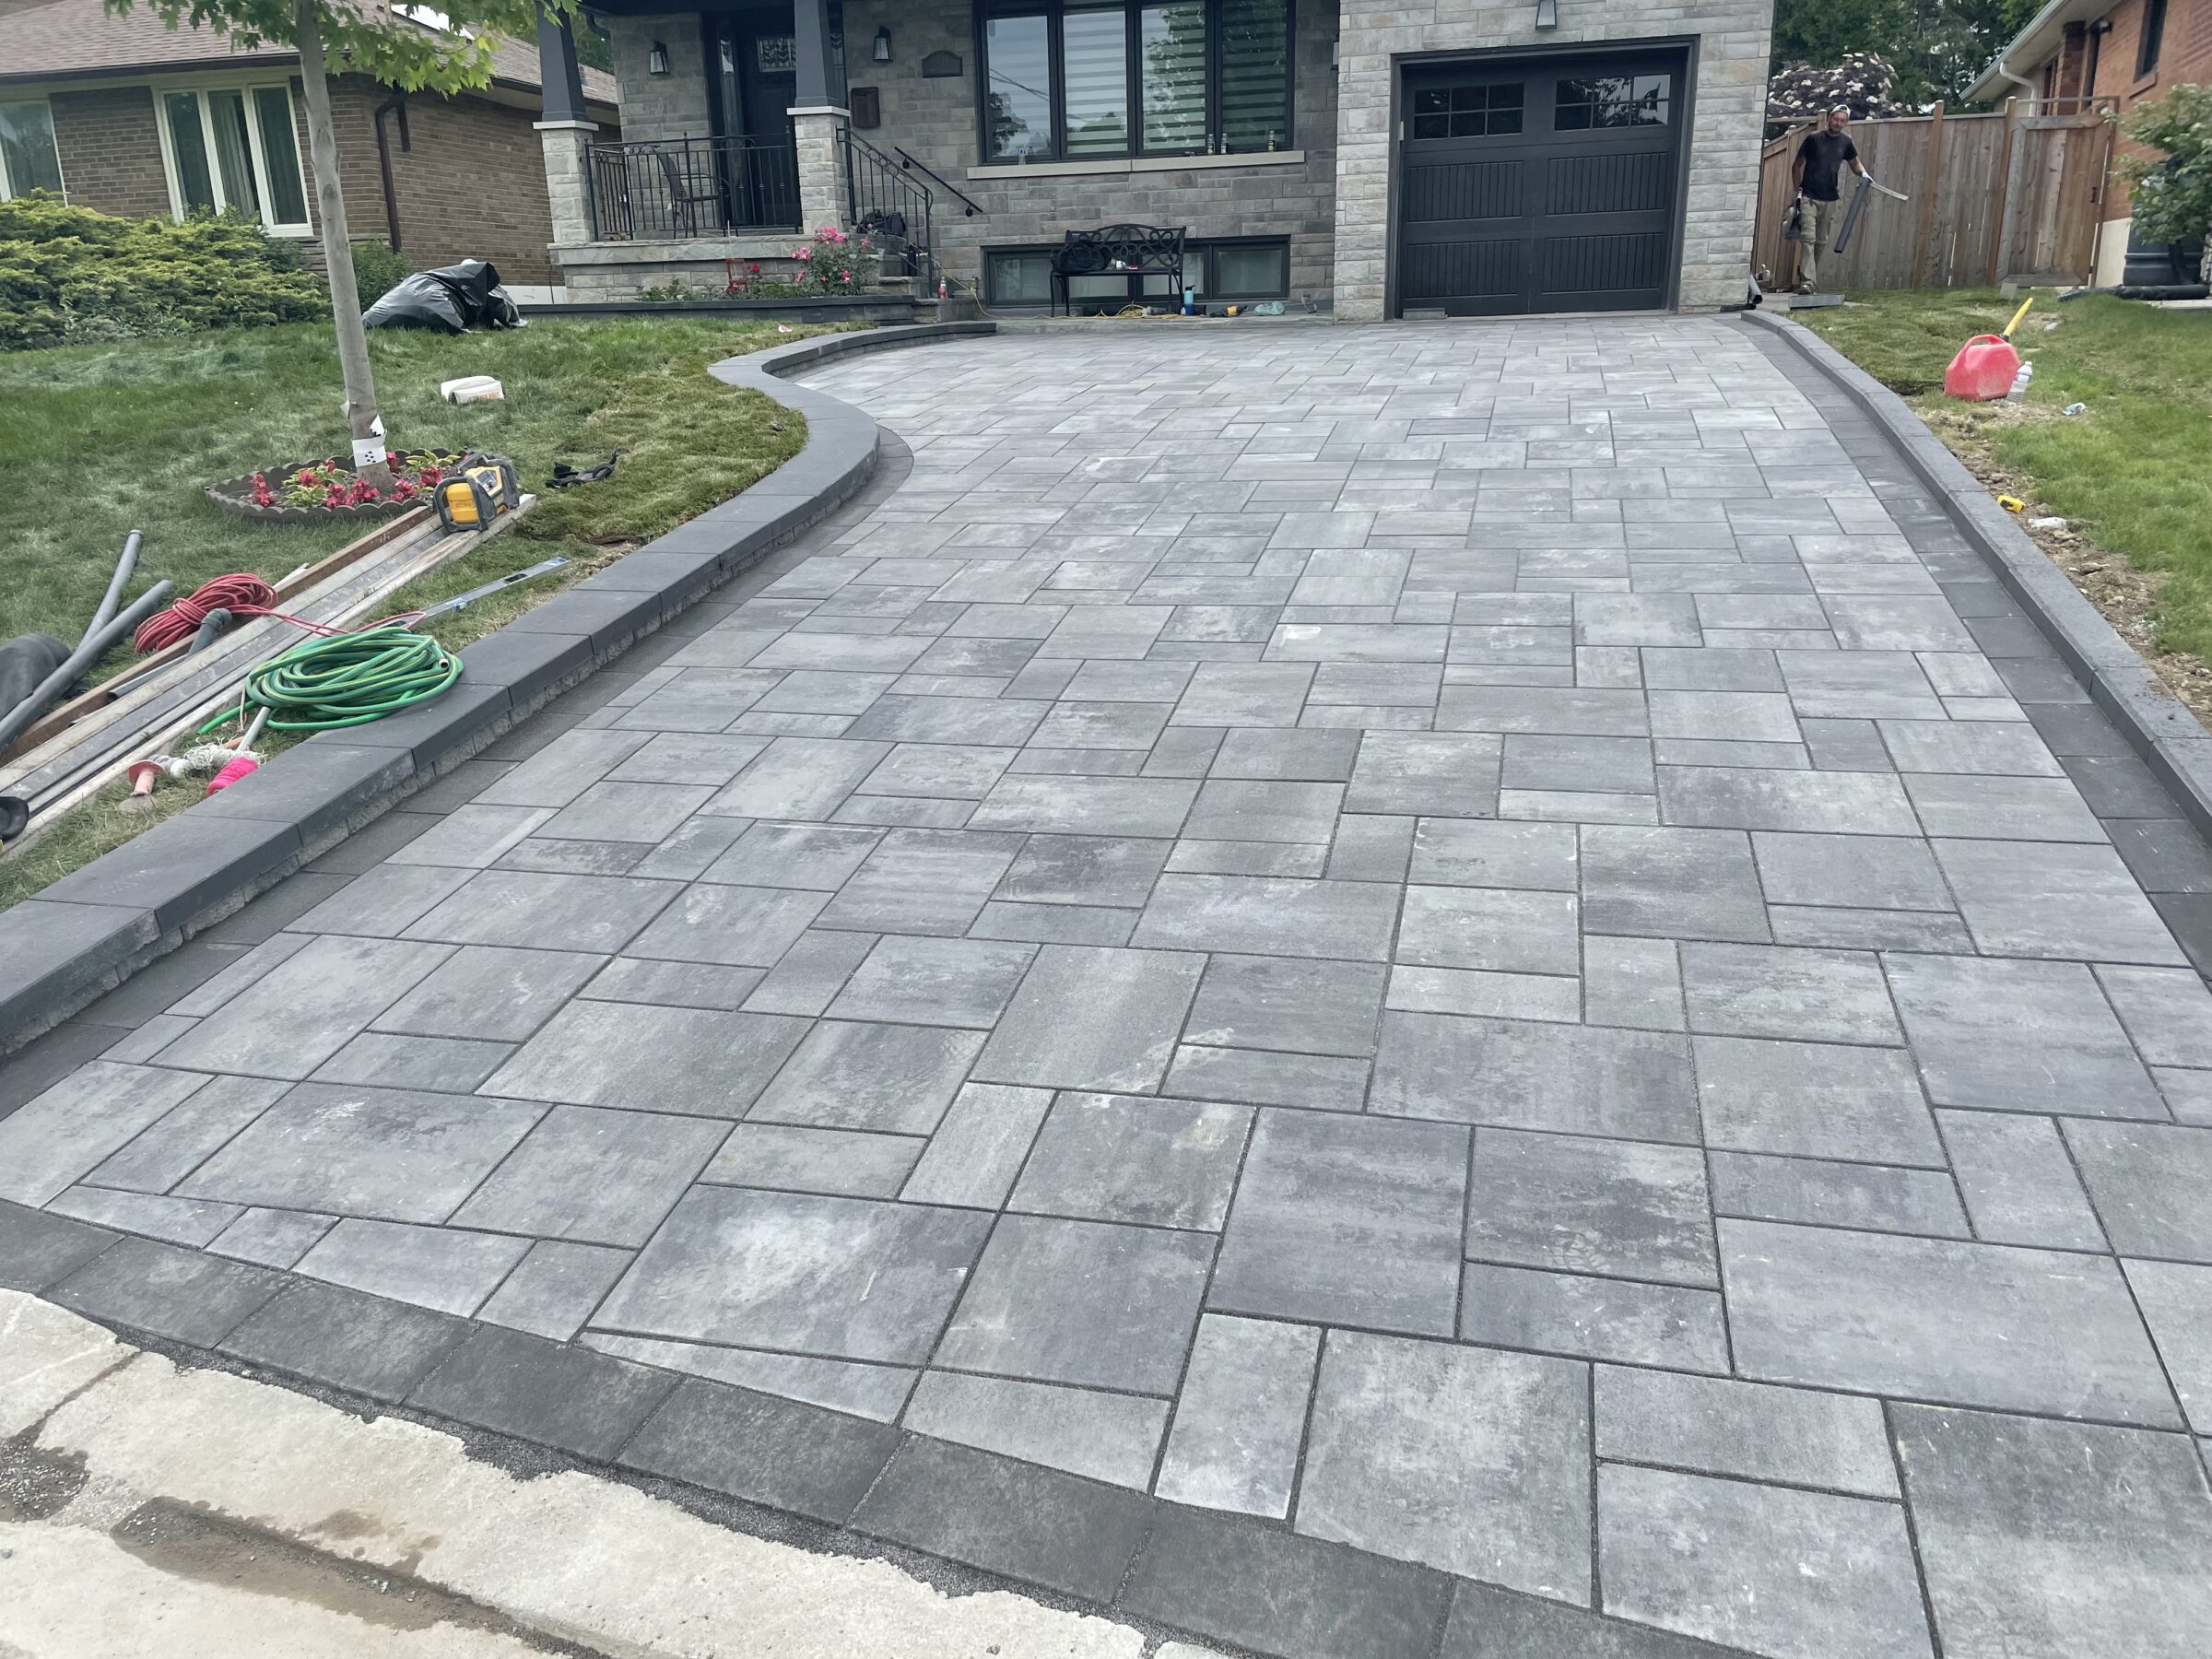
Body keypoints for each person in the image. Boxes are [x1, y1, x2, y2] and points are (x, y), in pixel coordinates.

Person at [1791, 106, 1867, 293]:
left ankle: (1809, 280)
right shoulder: (1814, 139)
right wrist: (1798, 191)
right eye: (1835, 119)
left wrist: (1864, 174)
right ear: (1829, 119)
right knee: (1808, 238)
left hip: (1830, 197)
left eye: (1842, 121)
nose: (1838, 123)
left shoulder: (1846, 142)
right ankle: (1808, 281)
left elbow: (1854, 163)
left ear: (1846, 122)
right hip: (1809, 195)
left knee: (1821, 241)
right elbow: (1797, 165)